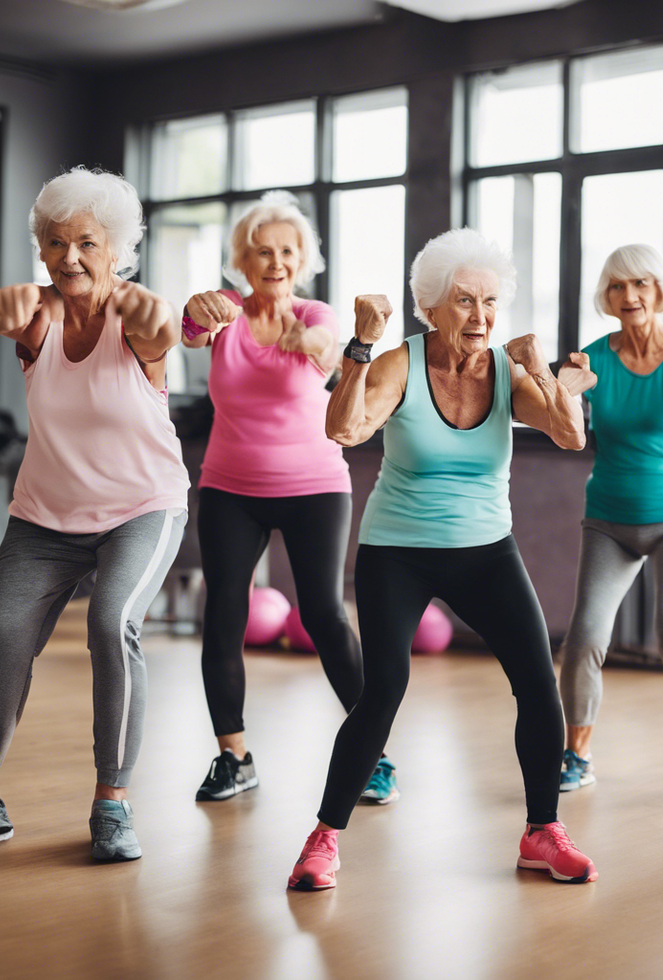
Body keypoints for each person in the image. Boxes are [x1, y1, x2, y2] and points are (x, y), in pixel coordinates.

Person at [288, 228, 599, 890]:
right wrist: (362, 345)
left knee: (538, 684)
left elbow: (572, 435)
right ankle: (323, 838)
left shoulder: (508, 372)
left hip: (487, 549)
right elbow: (343, 429)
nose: (481, 316)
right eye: (464, 301)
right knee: (384, 691)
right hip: (398, 551)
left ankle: (542, 831)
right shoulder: (400, 362)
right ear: (431, 307)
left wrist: (539, 366)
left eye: (489, 301)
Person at [0, 167, 189, 860]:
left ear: (117, 248)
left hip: (142, 507)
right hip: (45, 514)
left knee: (111, 620)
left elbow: (159, 330)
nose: (70, 257)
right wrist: (6, 311)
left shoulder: (138, 322)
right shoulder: (37, 317)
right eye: (57, 243)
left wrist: (161, 319)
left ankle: (112, 803)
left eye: (88, 243)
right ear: (41, 249)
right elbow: (13, 318)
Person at [182, 192, 396, 805]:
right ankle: (234, 756)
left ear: (302, 260)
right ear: (242, 260)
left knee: (325, 615)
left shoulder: (318, 313)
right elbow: (191, 333)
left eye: (287, 251)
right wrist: (194, 316)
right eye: (262, 251)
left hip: (315, 487)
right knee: (223, 611)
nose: (275, 261)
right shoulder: (224, 312)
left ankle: (373, 755)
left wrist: (313, 346)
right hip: (230, 487)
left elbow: (329, 354)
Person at [558, 244, 663, 801]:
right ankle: (577, 754)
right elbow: (568, 431)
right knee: (584, 638)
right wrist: (565, 391)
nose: (629, 296)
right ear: (606, 296)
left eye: (641, 285)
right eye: (617, 287)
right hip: (609, 516)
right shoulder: (591, 359)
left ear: (660, 290)